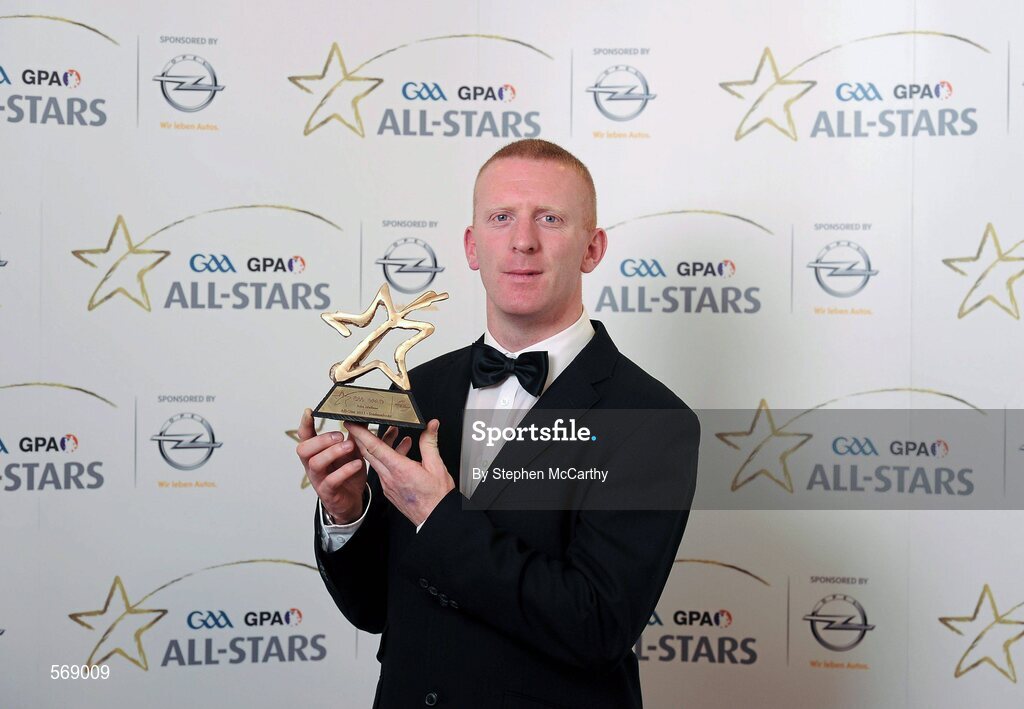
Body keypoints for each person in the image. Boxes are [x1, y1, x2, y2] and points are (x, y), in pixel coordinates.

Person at [295, 139, 700, 708]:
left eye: (551, 219)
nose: (523, 241)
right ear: (472, 245)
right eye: (501, 217)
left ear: (592, 248)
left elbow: (597, 626)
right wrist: (347, 513)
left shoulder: (653, 420)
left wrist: (437, 517)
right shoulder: (415, 391)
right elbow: (372, 610)